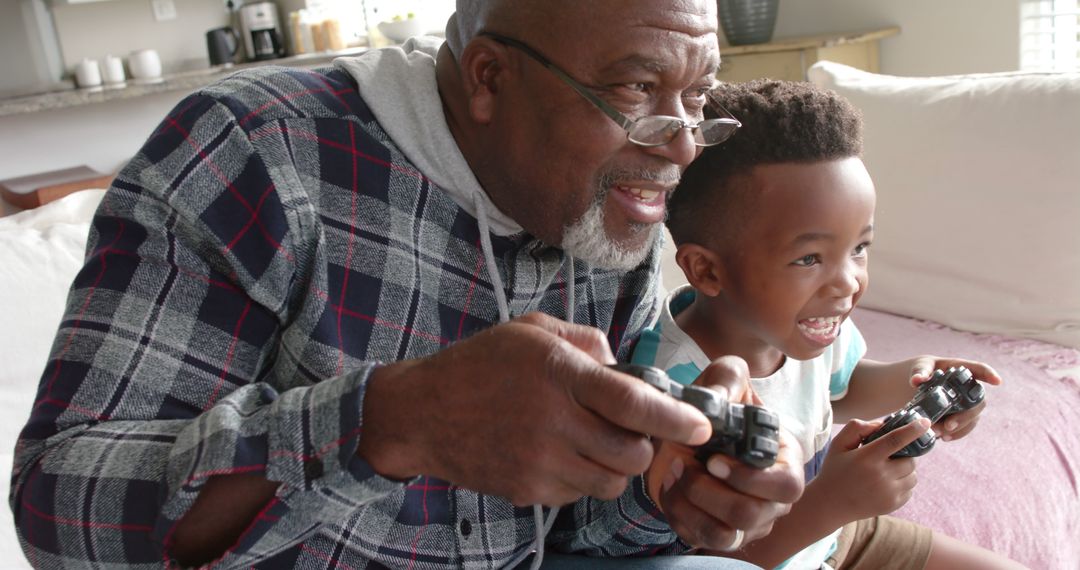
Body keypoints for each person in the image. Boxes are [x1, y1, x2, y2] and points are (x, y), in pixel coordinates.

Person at [10, 1, 806, 568]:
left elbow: (569, 536)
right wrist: (392, 422)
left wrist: (667, 491)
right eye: (637, 90)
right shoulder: (255, 151)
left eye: (697, 100)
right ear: (488, 77)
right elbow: (58, 506)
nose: (683, 147)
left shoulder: (610, 215)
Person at [633, 80, 1027, 569]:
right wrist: (833, 501)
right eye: (810, 258)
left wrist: (919, 380)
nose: (848, 283)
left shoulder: (807, 329)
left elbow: (848, 384)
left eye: (859, 248)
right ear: (708, 270)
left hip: (841, 538)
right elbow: (707, 558)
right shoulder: (674, 389)